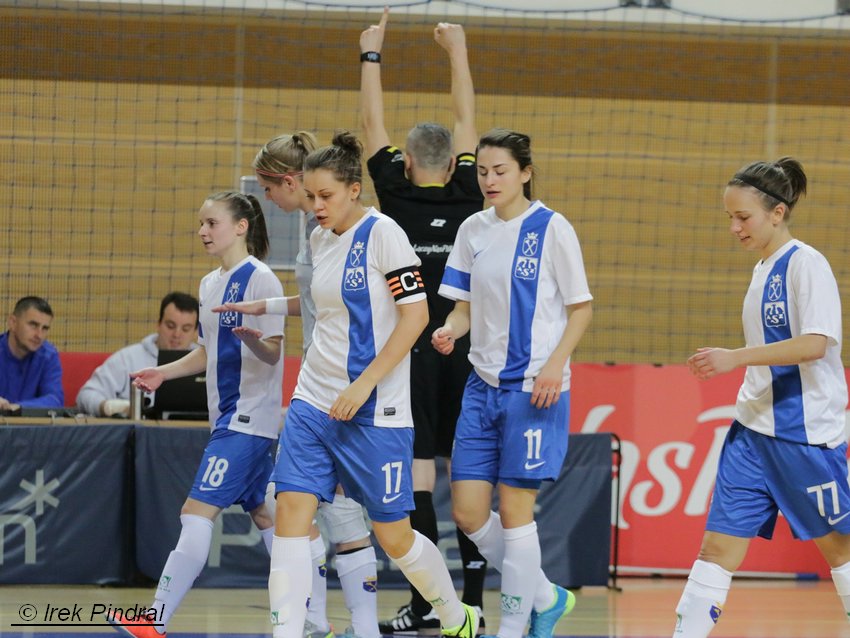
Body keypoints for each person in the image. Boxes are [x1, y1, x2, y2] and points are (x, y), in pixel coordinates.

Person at [262, 130, 479, 638]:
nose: (315, 206)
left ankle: (454, 617)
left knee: (395, 536)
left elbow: (416, 317)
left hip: (374, 409)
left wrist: (363, 385)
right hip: (315, 399)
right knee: (291, 508)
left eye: (326, 196)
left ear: (354, 190)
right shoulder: (318, 238)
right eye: (311, 196)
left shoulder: (384, 234)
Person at [671, 158, 850, 637]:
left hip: (803, 436)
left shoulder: (806, 263)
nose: (734, 227)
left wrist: (736, 358)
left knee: (841, 552)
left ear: (777, 212)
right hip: (751, 434)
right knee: (715, 551)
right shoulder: (763, 269)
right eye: (729, 217)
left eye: (743, 217)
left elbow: (817, 343)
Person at [432, 129, 593, 638]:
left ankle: (514, 626)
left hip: (534, 387)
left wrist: (554, 365)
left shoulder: (552, 228)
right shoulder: (472, 230)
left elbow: (581, 309)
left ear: (525, 172)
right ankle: (547, 596)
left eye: (500, 170)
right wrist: (448, 330)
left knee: (516, 510)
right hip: (481, 387)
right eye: (482, 171)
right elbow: (464, 309)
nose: (489, 180)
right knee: (468, 512)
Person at [359, 10, 488, 633]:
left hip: (410, 353)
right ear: (454, 160)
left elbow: (369, 126)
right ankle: (474, 602)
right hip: (466, 352)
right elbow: (468, 121)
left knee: (418, 474)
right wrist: (457, 51)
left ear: (406, 162)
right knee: (468, 479)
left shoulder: (394, 195)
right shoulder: (472, 190)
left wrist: (371, 55)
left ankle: (426, 607)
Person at [107, 191, 284, 638]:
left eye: (212, 223)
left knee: (195, 510)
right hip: (228, 419)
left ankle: (155, 621)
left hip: (248, 420)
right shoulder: (209, 285)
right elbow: (205, 352)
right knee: (269, 517)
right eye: (201, 224)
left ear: (241, 226)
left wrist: (251, 339)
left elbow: (272, 353)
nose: (203, 232)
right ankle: (313, 617)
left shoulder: (262, 279)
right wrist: (163, 373)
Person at [251, 131, 381, 638]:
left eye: (268, 187)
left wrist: (362, 385)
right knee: (305, 505)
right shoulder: (317, 229)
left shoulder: (349, 228)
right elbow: (315, 302)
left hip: (344, 386)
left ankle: (325, 622)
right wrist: (263, 307)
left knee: (329, 509)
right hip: (318, 382)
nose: (267, 199)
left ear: (289, 181)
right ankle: (317, 622)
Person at [75, 292, 199, 417]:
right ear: (159, 324)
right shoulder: (127, 359)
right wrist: (111, 407)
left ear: (195, 332)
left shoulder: (207, 362)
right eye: (170, 326)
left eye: (186, 329)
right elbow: (86, 395)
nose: (177, 334)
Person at [0, 296, 63, 411]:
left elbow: (55, 399)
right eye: (33, 325)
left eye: (44, 328)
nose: (39, 335)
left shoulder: (48, 356)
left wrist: (19, 408)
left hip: (29, 427)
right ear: (13, 322)